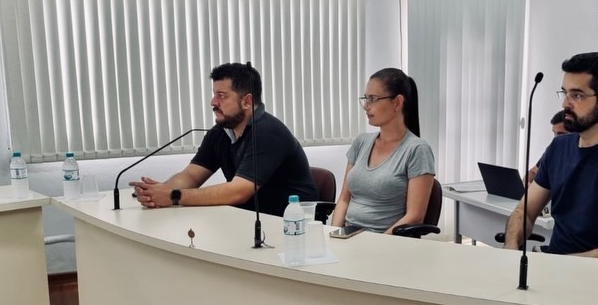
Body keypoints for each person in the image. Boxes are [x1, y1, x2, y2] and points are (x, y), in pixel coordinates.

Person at [503, 52, 598, 259]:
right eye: (564, 93)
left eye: (577, 95)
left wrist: (562, 266)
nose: (565, 104)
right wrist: (511, 248)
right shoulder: (558, 147)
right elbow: (524, 212)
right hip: (553, 267)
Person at [130, 62, 318, 216]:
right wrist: (156, 192)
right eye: (214, 94)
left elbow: (239, 191)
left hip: (291, 225)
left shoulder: (268, 133)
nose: (213, 102)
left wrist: (174, 196)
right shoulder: (221, 132)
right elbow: (191, 176)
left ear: (246, 102)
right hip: (247, 220)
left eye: (221, 96)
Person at [332, 68, 435, 234]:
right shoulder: (361, 142)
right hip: (349, 236)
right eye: (365, 99)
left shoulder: (417, 150)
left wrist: (379, 243)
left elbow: (414, 216)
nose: (366, 106)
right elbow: (344, 200)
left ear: (397, 102)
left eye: (373, 99)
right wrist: (334, 234)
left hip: (385, 240)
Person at [526, 110, 568, 184]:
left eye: (560, 134)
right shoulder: (552, 150)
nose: (555, 138)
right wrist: (527, 185)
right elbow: (532, 172)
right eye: (554, 133)